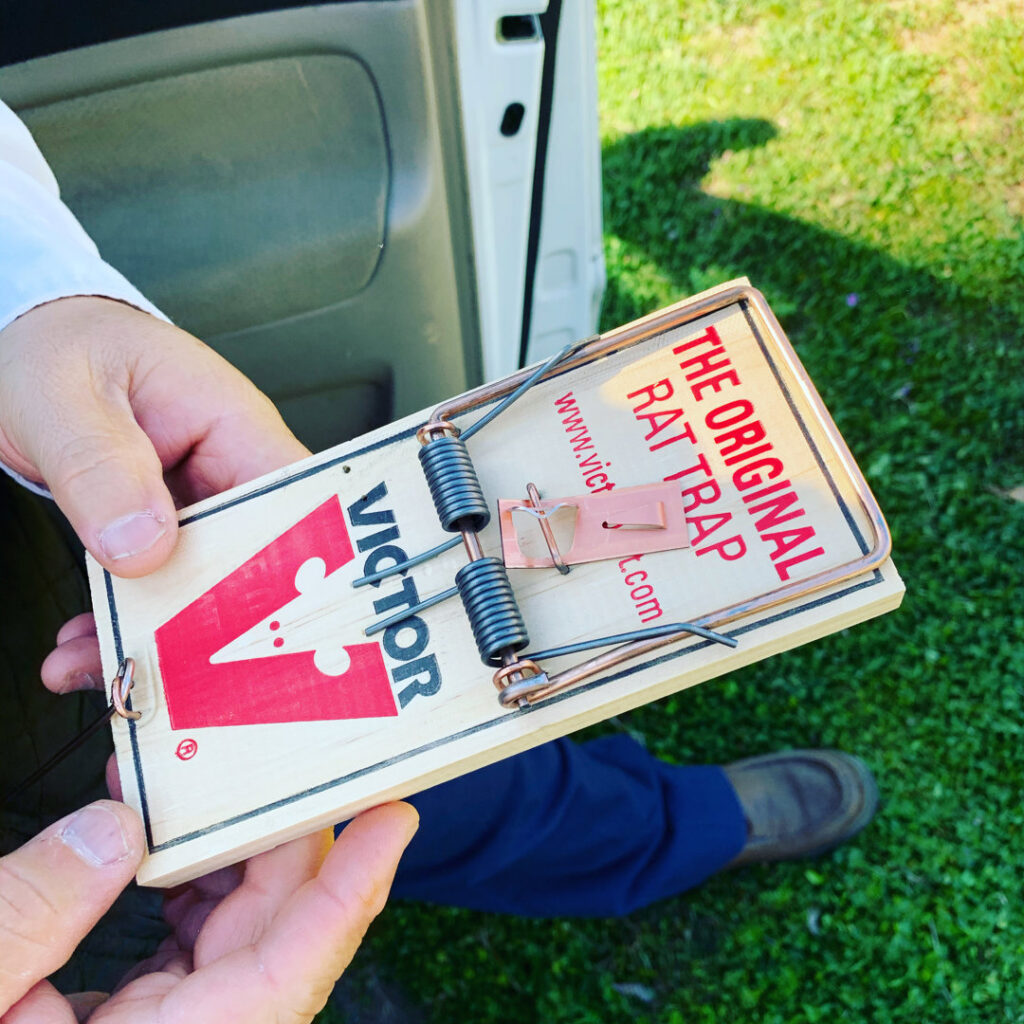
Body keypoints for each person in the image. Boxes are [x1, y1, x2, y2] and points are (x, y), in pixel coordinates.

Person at [0, 98, 878, 1016]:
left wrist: (32, 305)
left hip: (60, 591)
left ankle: (671, 828)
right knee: (334, 859)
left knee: (462, 773)